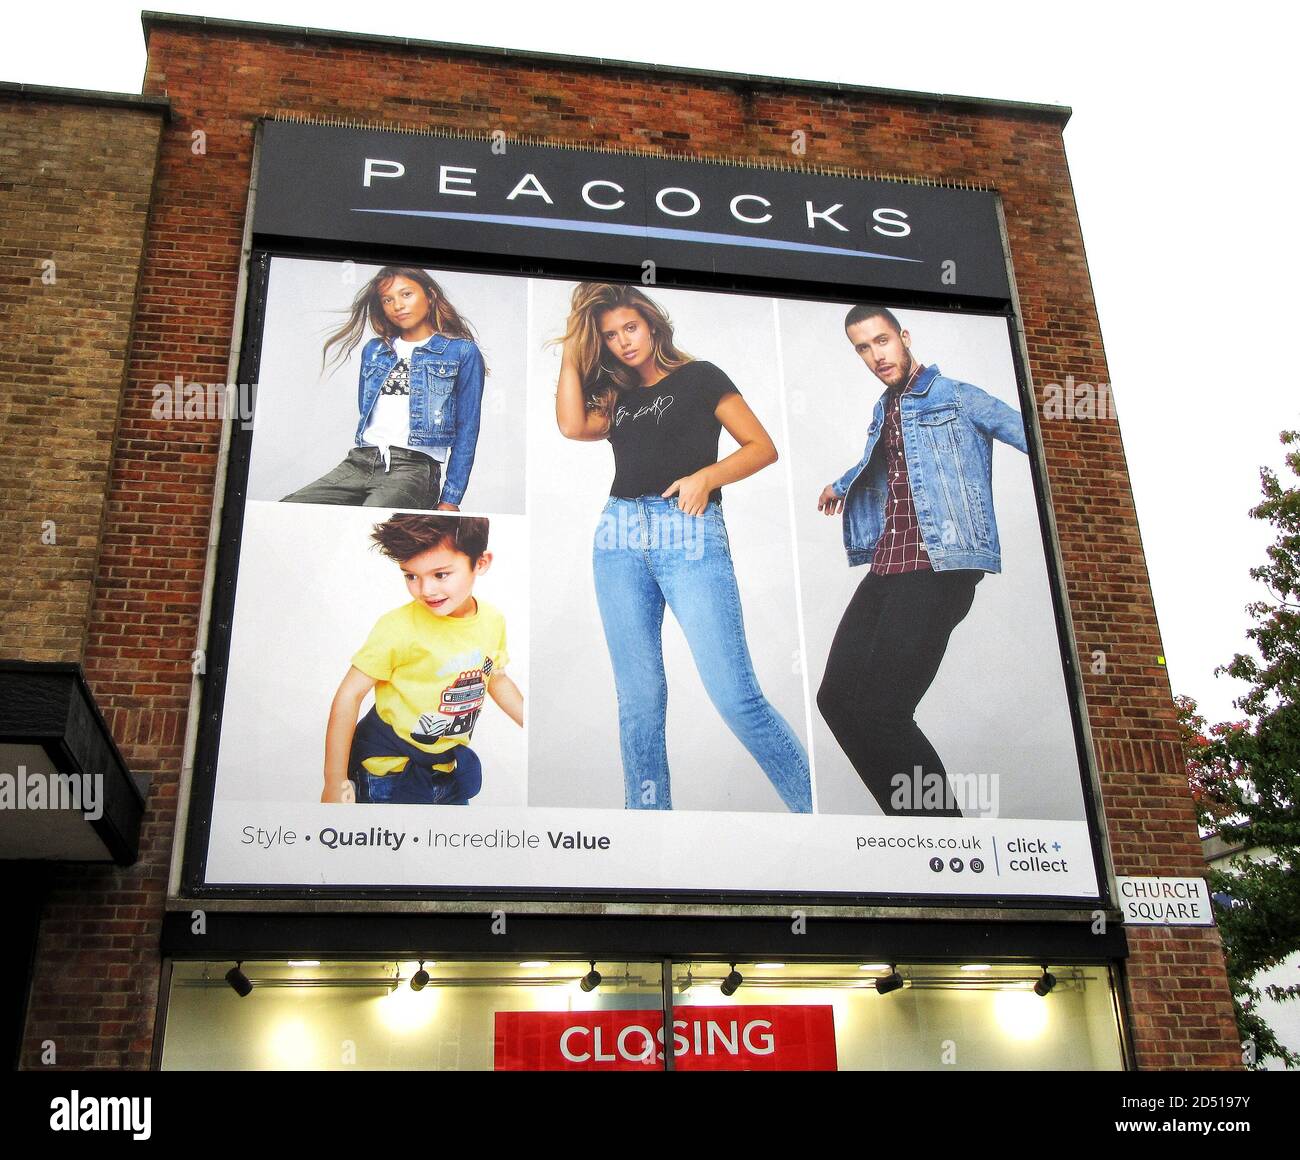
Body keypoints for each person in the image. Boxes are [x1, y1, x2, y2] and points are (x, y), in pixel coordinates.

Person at [554, 282, 811, 813]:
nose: (624, 342)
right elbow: (571, 425)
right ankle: (648, 832)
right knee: (639, 702)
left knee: (736, 697)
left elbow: (762, 447)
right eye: (611, 335)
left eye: (631, 328)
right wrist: (570, 346)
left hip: (688, 532)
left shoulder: (701, 377)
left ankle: (814, 813)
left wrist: (706, 477)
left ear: (651, 325)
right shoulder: (615, 393)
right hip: (618, 537)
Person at [815, 306, 1028, 817]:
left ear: (904, 336)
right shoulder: (883, 407)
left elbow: (1034, 435)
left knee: (884, 710)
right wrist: (841, 485)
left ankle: (942, 834)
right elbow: (887, 461)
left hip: (940, 565)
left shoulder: (956, 395)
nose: (876, 355)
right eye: (863, 348)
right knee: (837, 700)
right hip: (889, 564)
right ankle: (914, 827)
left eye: (882, 341)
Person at [320, 513, 523, 805]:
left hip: (446, 771)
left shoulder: (492, 620)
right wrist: (334, 781)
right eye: (411, 576)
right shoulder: (398, 627)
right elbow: (349, 694)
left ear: (481, 562)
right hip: (388, 774)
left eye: (440, 574)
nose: (425, 590)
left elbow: (496, 679)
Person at [282, 266, 486, 511]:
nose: (397, 305)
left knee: (367, 528)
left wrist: (451, 498)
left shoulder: (462, 351)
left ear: (430, 296)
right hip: (359, 461)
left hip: (413, 468)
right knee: (288, 509)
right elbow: (366, 410)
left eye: (406, 294)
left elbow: (468, 428)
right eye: (387, 299)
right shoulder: (375, 350)